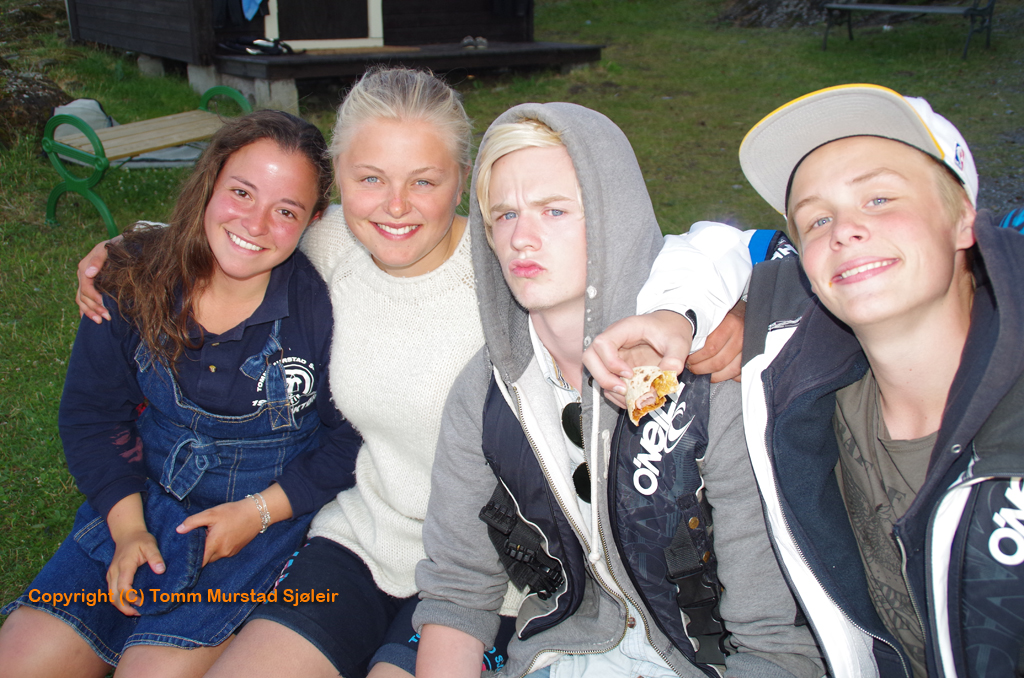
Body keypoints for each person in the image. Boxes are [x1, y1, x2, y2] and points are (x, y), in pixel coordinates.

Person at [71, 69, 756, 678]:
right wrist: (129, 250)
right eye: (370, 179)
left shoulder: (512, 266)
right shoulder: (336, 244)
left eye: (424, 181)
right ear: (337, 180)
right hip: (362, 539)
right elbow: (247, 231)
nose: (394, 206)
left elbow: (665, 249)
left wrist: (712, 309)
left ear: (465, 181)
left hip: (499, 568)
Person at [413, 103, 825, 678]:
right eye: (505, 215)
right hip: (558, 656)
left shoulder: (709, 373)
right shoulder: (485, 393)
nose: (522, 239)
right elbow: (458, 591)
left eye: (555, 210)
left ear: (615, 218)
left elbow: (773, 639)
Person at [0, 110, 362, 678]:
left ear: (313, 221)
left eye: (286, 210)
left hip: (255, 527)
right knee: (20, 660)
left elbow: (348, 444)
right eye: (241, 192)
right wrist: (128, 530)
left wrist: (257, 513)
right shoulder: (132, 276)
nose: (255, 223)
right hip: (138, 503)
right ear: (211, 181)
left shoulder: (323, 311)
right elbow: (94, 418)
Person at [736, 84, 1023, 677]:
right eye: (817, 219)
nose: (843, 230)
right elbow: (710, 245)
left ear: (964, 220)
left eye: (880, 198)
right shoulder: (807, 396)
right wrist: (678, 310)